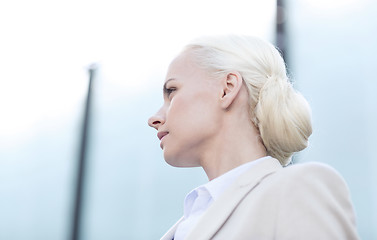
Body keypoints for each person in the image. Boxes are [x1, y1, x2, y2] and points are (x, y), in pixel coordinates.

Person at [148, 35, 359, 240]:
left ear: (227, 89)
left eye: (172, 91)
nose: (154, 119)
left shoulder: (297, 189)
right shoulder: (192, 217)